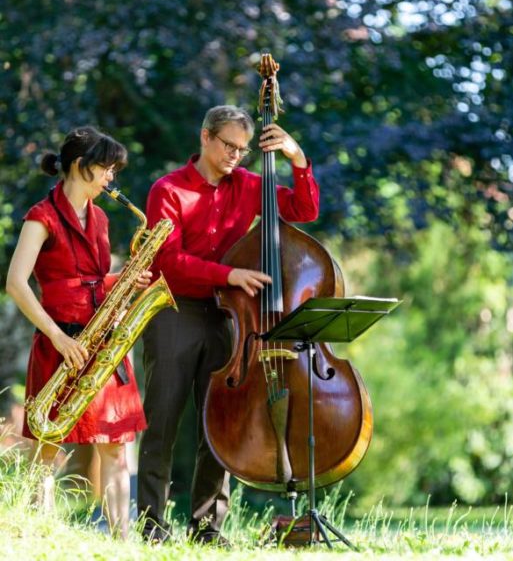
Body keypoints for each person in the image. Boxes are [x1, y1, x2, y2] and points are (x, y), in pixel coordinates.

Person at [138, 105, 319, 544]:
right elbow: (169, 261)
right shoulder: (168, 189)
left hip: (225, 317)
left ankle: (206, 528)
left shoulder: (250, 186)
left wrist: (297, 158)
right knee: (162, 421)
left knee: (217, 426)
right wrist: (229, 274)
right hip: (174, 311)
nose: (236, 154)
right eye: (228, 145)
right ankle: (152, 527)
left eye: (242, 148)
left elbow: (304, 208)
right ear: (205, 137)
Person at [6, 126, 151, 539]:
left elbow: (90, 279)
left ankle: (122, 538)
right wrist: (56, 337)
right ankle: (40, 535)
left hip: (102, 343)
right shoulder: (41, 217)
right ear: (78, 166)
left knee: (115, 446)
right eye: (106, 168)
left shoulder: (101, 217)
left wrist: (123, 279)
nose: (111, 179)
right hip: (62, 341)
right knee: (48, 449)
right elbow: (17, 283)